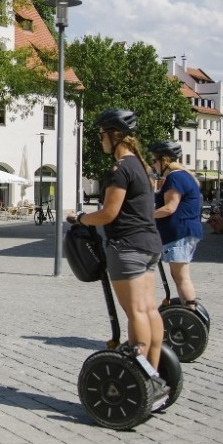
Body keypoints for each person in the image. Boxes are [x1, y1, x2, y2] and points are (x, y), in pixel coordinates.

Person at [67, 110, 165, 377]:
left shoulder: (119, 169)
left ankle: (140, 373)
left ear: (114, 135)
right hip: (149, 245)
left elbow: (109, 213)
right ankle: (152, 372)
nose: (100, 141)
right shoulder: (143, 168)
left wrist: (81, 217)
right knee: (148, 309)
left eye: (101, 135)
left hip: (127, 247)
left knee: (136, 313)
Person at [150, 140, 203, 308]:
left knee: (181, 277)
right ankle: (187, 308)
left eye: (154, 160)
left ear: (163, 160)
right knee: (178, 276)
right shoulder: (183, 176)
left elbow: (169, 208)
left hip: (180, 233)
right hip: (183, 232)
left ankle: (190, 309)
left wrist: (146, 216)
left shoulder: (175, 178)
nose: (153, 164)